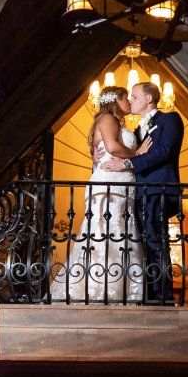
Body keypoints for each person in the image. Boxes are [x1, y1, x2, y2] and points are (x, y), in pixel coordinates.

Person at [69, 85, 144, 303]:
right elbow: (111, 147)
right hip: (111, 184)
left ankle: (121, 289)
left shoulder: (114, 122)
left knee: (121, 232)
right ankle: (103, 290)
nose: (129, 102)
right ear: (115, 101)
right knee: (108, 233)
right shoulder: (108, 118)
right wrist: (138, 155)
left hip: (121, 185)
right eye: (126, 98)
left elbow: (99, 154)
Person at [124, 81, 183, 304]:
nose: (130, 100)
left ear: (149, 98)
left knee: (156, 241)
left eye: (134, 96)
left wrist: (130, 163)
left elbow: (164, 151)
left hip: (158, 189)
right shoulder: (135, 130)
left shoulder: (169, 119)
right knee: (142, 244)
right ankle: (147, 292)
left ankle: (163, 296)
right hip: (138, 193)